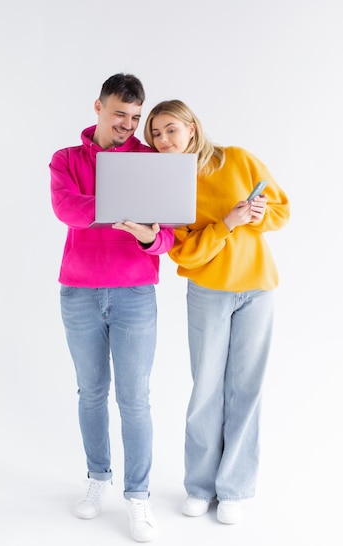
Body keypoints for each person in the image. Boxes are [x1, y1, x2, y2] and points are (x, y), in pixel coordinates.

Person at [143, 99, 290, 525]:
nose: (163, 139)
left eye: (170, 129)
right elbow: (185, 254)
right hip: (208, 291)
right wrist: (225, 224)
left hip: (257, 289)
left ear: (192, 127)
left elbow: (282, 209)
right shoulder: (168, 185)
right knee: (205, 389)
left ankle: (234, 490)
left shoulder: (238, 160)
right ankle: (199, 486)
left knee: (245, 390)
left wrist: (258, 215)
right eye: (155, 133)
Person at [49, 74, 174, 542]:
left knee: (135, 400)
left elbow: (165, 236)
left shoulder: (150, 159)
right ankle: (97, 479)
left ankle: (138, 499)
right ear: (98, 107)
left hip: (135, 293)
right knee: (90, 393)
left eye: (136, 117)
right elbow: (68, 209)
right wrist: (124, 205)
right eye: (120, 114)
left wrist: (147, 233)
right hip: (79, 291)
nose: (129, 125)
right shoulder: (65, 159)